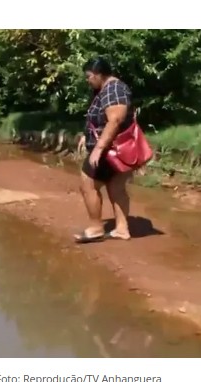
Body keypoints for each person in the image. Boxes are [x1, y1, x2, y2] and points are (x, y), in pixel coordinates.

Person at [74, 56, 134, 243]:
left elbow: (115, 120)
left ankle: (95, 228)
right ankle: (122, 229)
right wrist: (87, 134)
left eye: (89, 76)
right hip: (114, 148)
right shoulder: (107, 89)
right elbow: (101, 118)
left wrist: (98, 148)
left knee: (88, 183)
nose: (87, 80)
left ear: (99, 75)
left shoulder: (113, 89)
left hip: (110, 148)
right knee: (116, 186)